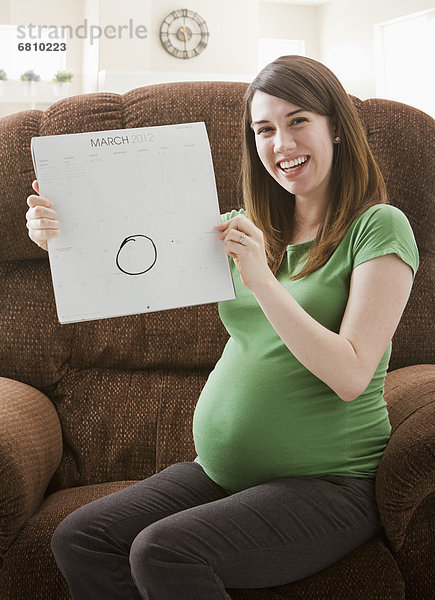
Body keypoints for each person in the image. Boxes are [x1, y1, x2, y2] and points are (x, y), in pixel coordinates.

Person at [25, 55, 419, 600]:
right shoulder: (248, 225)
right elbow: (133, 260)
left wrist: (261, 280)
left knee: (163, 550)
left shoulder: (377, 227)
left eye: (298, 120)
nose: (281, 143)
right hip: (221, 472)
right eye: (264, 129)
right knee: (81, 538)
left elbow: (351, 373)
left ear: (337, 128)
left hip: (330, 484)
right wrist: (62, 239)